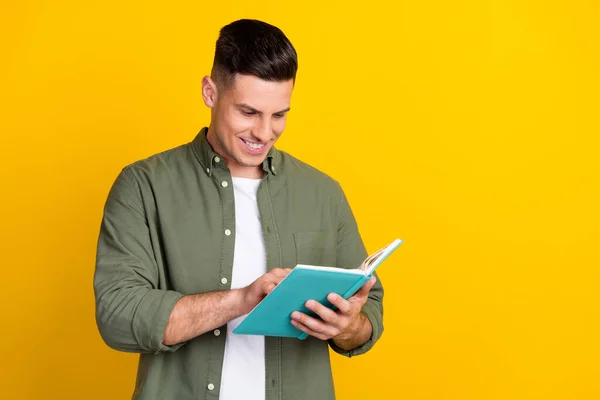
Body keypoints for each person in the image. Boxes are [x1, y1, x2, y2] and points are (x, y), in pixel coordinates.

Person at [93, 18, 384, 400]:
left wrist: (347, 326)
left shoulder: (324, 193)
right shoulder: (144, 186)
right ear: (210, 92)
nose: (265, 133)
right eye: (248, 112)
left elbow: (370, 316)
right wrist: (241, 299)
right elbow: (118, 315)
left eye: (279, 115)